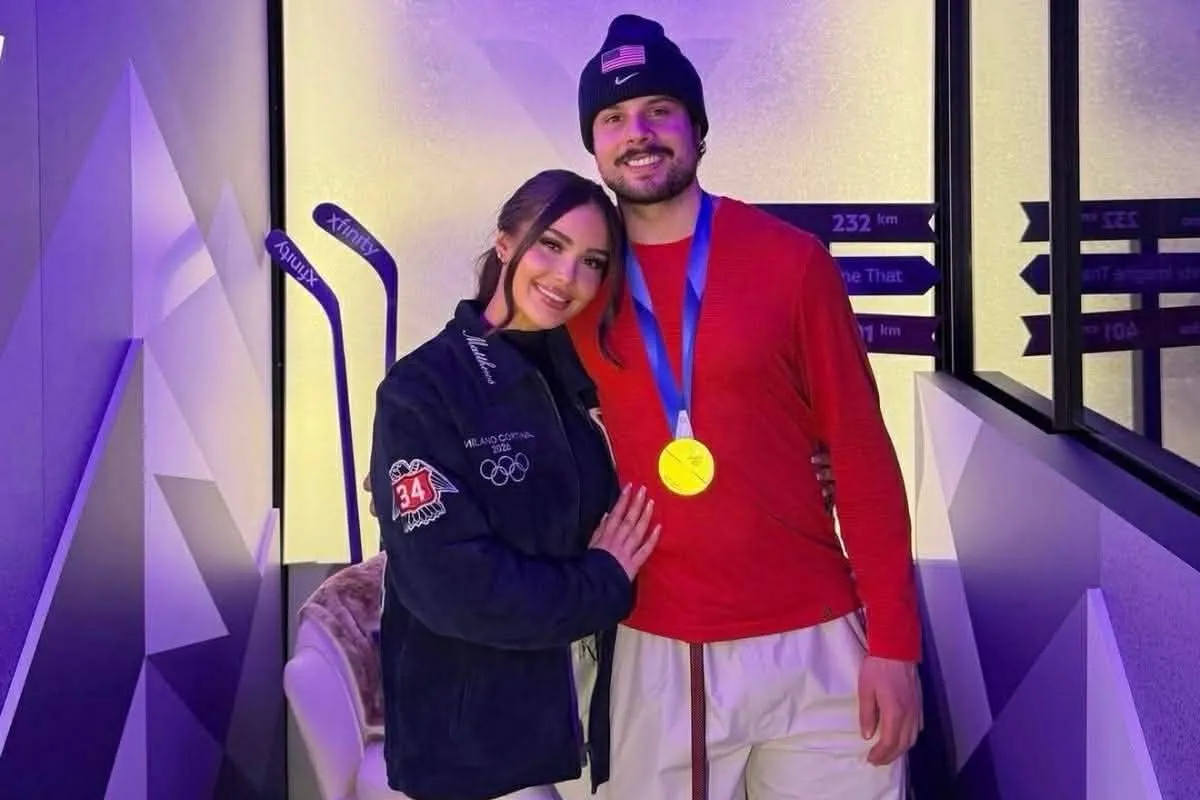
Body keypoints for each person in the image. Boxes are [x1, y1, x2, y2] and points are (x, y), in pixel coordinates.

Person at [564, 14, 923, 799]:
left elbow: (860, 453)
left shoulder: (791, 262)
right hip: (659, 639)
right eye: (613, 117)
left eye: (660, 109)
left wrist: (895, 641)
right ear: (593, 145)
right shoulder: (576, 285)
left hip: (818, 637)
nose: (639, 132)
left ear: (697, 125)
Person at [366, 169, 663, 800]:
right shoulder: (423, 390)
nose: (566, 278)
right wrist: (601, 581)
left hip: (593, 724)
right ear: (505, 241)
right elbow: (452, 587)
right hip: (477, 754)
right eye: (550, 246)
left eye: (591, 262)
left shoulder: (584, 378)